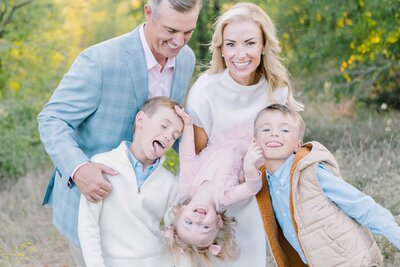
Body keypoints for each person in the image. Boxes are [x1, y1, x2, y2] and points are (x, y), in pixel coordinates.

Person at [37, 0, 201, 265]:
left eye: (188, 32)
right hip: (92, 206)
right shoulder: (100, 60)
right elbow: (52, 119)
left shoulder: (186, 59)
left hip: (140, 213)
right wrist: (79, 169)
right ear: (148, 12)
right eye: (170, 30)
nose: (179, 42)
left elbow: (170, 124)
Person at [185, 2, 303, 266]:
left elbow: (281, 149)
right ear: (221, 49)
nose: (241, 54)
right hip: (214, 201)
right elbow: (196, 156)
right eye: (231, 44)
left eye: (250, 43)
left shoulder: (276, 90)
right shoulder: (205, 91)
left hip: (255, 197)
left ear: (263, 45)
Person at [254, 103, 400, 267]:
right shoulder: (262, 183)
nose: (274, 134)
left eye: (285, 130)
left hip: (351, 260)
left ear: (297, 145)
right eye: (266, 129)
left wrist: (395, 235)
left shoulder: (312, 172)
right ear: (255, 142)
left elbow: (361, 204)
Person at [78, 97, 185, 267]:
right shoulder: (102, 165)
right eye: (164, 126)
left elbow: (178, 236)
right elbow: (88, 226)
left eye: (174, 136)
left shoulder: (170, 183)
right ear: (141, 119)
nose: (167, 137)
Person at [163, 108, 264, 266]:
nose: (197, 219)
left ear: (180, 212)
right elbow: (252, 188)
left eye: (188, 223)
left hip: (221, 136)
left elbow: (187, 156)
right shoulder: (225, 197)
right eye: (204, 226)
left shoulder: (186, 187)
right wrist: (250, 166)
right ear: (218, 222)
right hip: (248, 145)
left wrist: (188, 126)